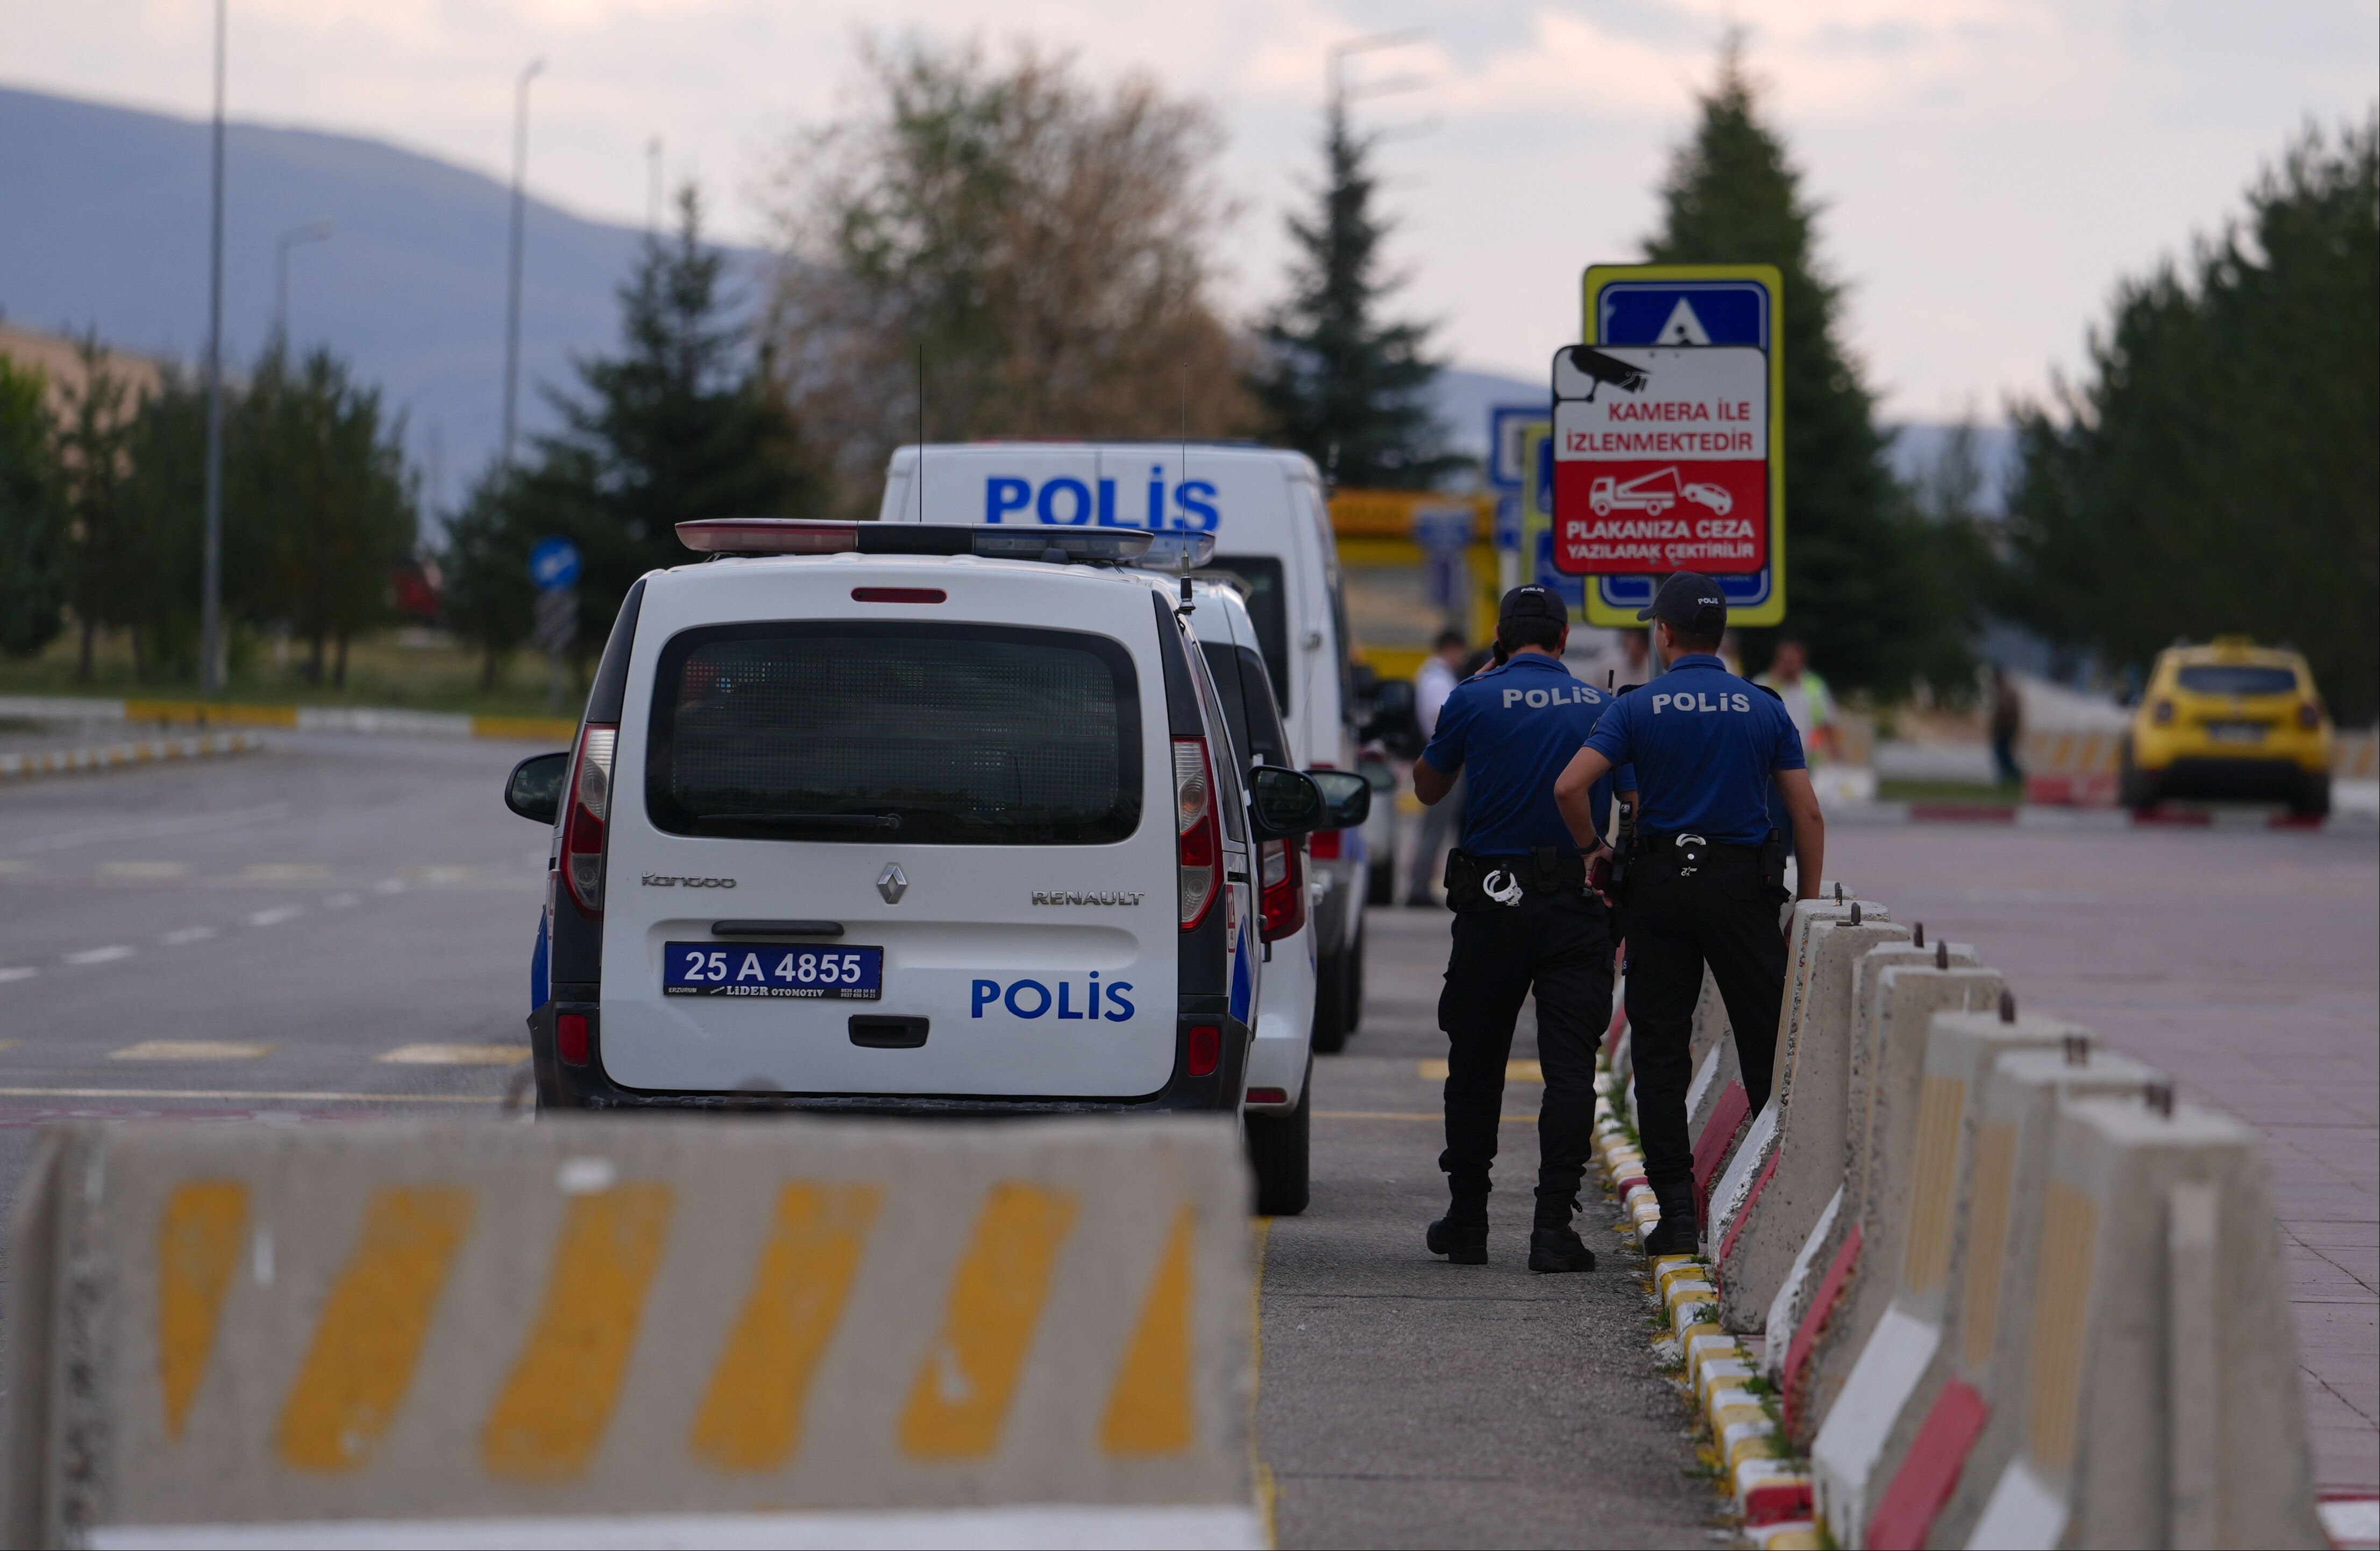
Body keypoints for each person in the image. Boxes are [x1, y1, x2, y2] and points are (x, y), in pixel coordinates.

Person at [1552, 573, 1824, 1256]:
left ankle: (1674, 1214)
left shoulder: (1637, 707)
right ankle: (1769, 1204)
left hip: (1660, 886)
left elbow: (1569, 785)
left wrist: (1594, 849)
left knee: (1662, 1049)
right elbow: (1807, 814)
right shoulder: (1765, 708)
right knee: (1765, 1041)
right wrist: (1807, 904)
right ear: (1722, 635)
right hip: (1742, 889)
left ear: (1665, 634)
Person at [1411, 585, 1635, 1272]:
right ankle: (1551, 1229)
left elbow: (1426, 788)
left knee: (1476, 1061)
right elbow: (1635, 800)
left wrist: (1476, 688)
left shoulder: (1472, 699)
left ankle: (1470, 1221)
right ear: (1565, 639)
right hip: (1576, 902)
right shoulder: (1604, 707)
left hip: (1492, 903)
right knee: (1570, 1067)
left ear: (1501, 639)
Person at [1405, 629, 1470, 907]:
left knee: (1436, 826)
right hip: (1445, 759)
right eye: (1461, 651)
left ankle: (1421, 885)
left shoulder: (1431, 675)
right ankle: (1419, 888)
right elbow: (1440, 716)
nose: (1463, 658)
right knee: (1436, 827)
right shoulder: (1438, 679)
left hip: (1440, 757)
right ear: (1451, 648)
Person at [1755, 634, 1835, 762]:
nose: (1789, 664)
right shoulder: (1763, 683)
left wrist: (1833, 754)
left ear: (1802, 660)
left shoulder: (1815, 686)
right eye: (1785, 660)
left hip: (1807, 759)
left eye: (1792, 660)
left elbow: (1826, 723)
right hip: (1769, 759)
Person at [1990, 664, 2023, 787]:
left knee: (2004, 756)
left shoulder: (2006, 692)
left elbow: (2007, 714)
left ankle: (2014, 778)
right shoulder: (2007, 691)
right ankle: (2010, 778)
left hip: (2005, 730)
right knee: (2004, 756)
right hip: (2005, 730)